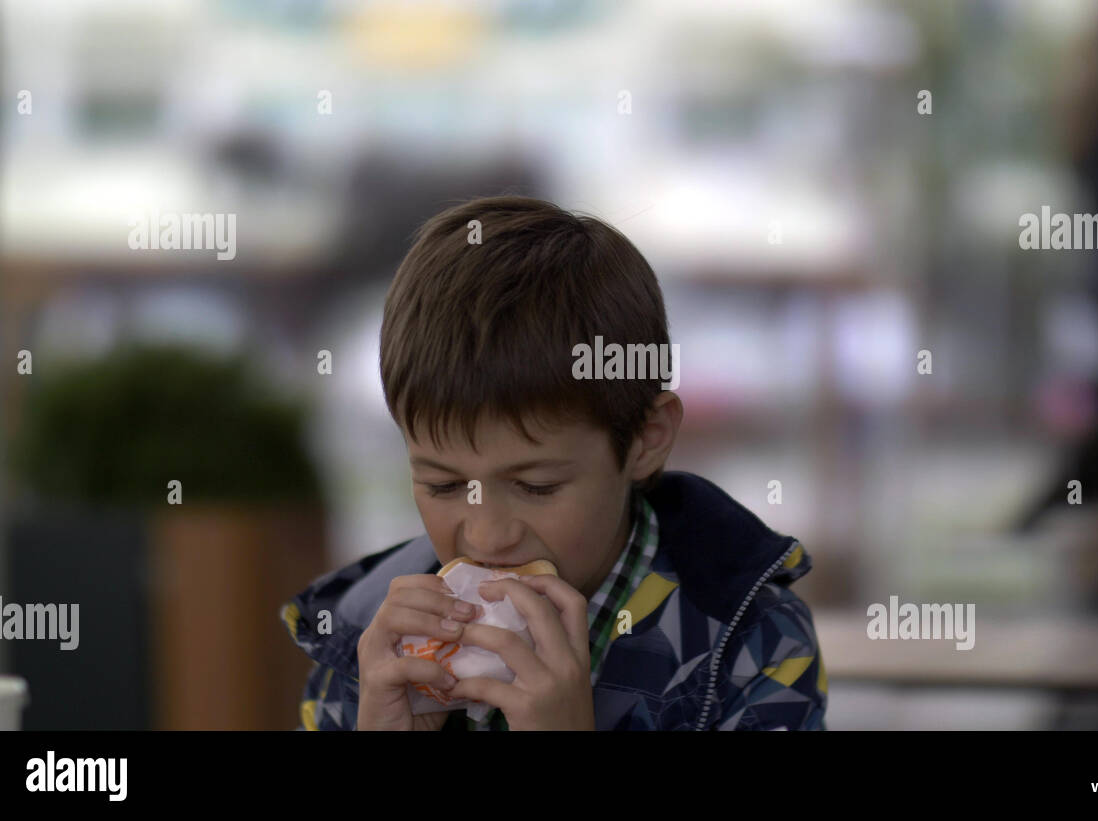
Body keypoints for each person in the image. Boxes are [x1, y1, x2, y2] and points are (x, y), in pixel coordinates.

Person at [280, 195, 826, 730]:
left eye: (537, 486)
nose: (488, 538)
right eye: (444, 485)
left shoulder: (752, 641)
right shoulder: (360, 641)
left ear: (645, 439)